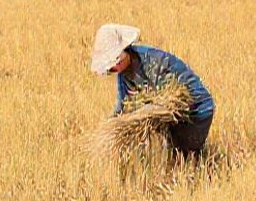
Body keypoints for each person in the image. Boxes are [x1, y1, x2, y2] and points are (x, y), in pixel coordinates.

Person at [90, 24, 215, 154]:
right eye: (110, 69)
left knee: (183, 157)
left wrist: (138, 116)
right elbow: (123, 104)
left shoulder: (154, 62)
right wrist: (113, 123)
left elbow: (168, 103)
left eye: (113, 66)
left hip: (196, 110)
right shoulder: (124, 75)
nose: (113, 70)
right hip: (171, 116)